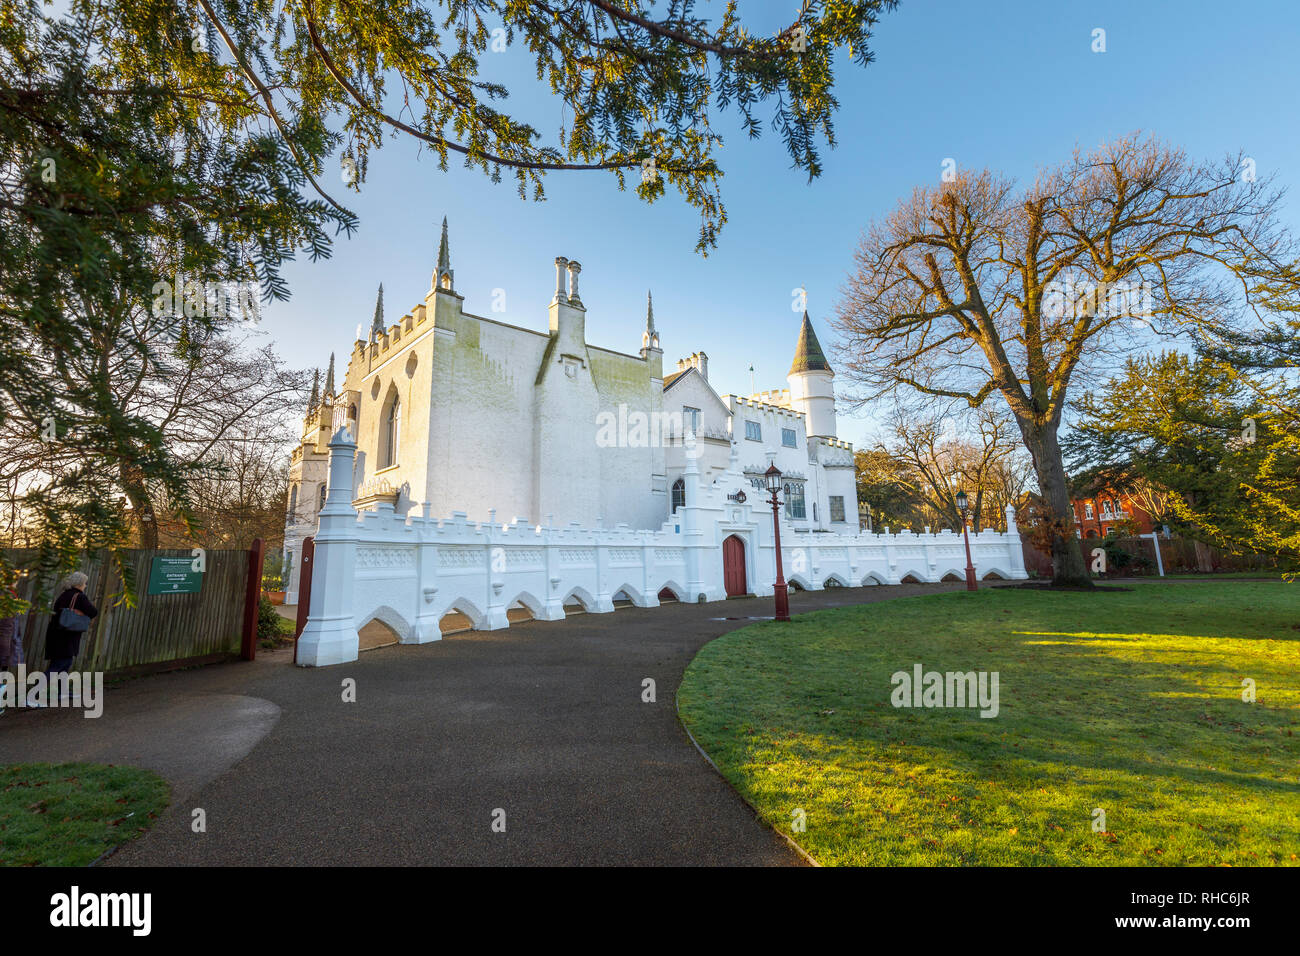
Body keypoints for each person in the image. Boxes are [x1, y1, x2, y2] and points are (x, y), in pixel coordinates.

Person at [47, 571, 98, 688]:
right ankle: (32, 695)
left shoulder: (63, 595)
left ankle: (61, 691)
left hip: (55, 633)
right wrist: (81, 612)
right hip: (68, 635)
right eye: (85, 583)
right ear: (79, 584)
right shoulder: (79, 596)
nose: (85, 586)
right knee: (60, 664)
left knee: (64, 663)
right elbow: (93, 612)